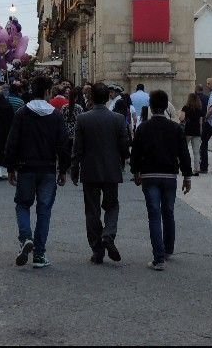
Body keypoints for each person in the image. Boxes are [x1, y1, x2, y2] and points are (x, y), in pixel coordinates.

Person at [4, 75, 70, 269]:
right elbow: (63, 145)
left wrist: (10, 168)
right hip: (48, 169)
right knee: (44, 211)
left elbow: (12, 142)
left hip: (26, 168)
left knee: (23, 205)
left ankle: (25, 238)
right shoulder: (56, 115)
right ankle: (39, 255)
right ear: (48, 92)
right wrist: (63, 169)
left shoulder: (22, 114)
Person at [131, 90, 193, 271]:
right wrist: (187, 176)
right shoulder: (176, 128)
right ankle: (168, 249)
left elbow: (136, 153)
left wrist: (136, 172)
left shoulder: (143, 128)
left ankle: (158, 259)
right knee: (169, 212)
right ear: (167, 106)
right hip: (169, 176)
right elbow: (184, 154)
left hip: (149, 175)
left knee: (154, 215)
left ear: (150, 106)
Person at [71, 81, 129, 264]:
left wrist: (74, 168)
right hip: (111, 169)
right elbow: (124, 145)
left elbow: (77, 148)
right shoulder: (118, 119)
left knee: (92, 210)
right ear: (107, 97)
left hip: (90, 170)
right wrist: (123, 161)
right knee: (112, 205)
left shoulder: (82, 119)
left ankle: (97, 250)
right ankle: (109, 234)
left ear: (91, 97)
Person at [178, 92, 202, 176]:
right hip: (196, 132)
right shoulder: (199, 109)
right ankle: (197, 169)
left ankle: (184, 168)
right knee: (196, 152)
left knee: (184, 150)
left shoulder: (186, 108)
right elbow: (201, 122)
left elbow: (181, 118)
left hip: (187, 131)